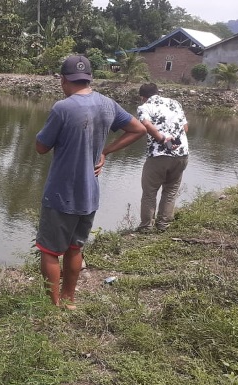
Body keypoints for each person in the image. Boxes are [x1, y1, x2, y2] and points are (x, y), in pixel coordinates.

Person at [34, 55, 146, 309]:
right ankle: (69, 300)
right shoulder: (107, 104)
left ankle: (53, 307)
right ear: (89, 78)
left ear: (63, 80)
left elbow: (41, 147)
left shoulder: (63, 107)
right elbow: (138, 129)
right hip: (89, 194)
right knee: (75, 248)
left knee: (50, 251)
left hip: (61, 193)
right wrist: (106, 151)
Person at [136, 83, 189, 232]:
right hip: (181, 154)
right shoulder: (175, 103)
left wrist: (161, 138)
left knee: (149, 191)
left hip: (158, 155)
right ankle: (163, 225)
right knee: (171, 190)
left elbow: (145, 123)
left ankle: (146, 227)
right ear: (157, 92)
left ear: (142, 97)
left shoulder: (145, 107)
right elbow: (185, 128)